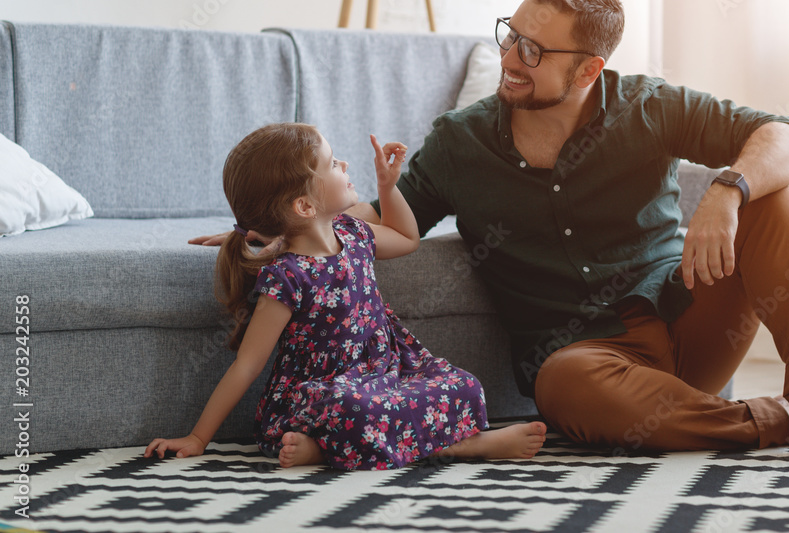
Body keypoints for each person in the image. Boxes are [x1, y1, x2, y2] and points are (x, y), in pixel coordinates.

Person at [192, 0, 789, 468]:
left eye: (534, 50)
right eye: (511, 35)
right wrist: (266, 228)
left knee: (769, 198)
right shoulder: (461, 142)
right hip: (585, 362)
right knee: (564, 382)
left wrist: (725, 190)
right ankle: (777, 422)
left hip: (687, 319)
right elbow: (370, 224)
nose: (511, 57)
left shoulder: (646, 105)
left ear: (590, 69)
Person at [148, 123, 546, 470]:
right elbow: (247, 366)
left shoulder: (354, 234)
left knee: (464, 386)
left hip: (385, 375)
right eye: (333, 163)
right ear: (305, 205)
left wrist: (389, 186)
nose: (345, 166)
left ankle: (328, 451)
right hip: (325, 394)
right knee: (358, 410)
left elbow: (407, 238)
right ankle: (462, 447)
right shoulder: (286, 278)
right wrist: (198, 438)